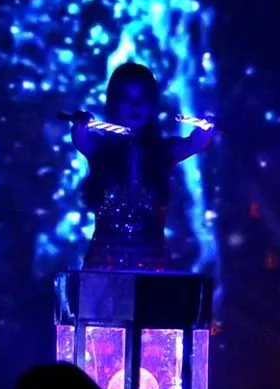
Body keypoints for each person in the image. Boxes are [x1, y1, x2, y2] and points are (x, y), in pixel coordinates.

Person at [64, 61, 211, 271]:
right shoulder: (100, 148)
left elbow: (195, 143)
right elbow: (81, 138)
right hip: (104, 264)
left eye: (143, 97)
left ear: (152, 104)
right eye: (126, 98)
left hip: (152, 264)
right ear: (113, 103)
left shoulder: (162, 151)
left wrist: (207, 129)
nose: (135, 105)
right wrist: (80, 124)